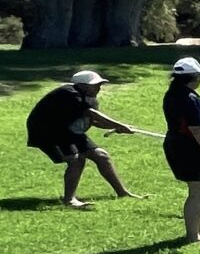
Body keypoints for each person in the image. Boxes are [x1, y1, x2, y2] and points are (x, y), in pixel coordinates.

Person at [25, 69, 142, 207]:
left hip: (68, 131)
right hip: (47, 131)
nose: (99, 88)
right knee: (76, 160)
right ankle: (69, 200)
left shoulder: (89, 99)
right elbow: (90, 113)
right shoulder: (68, 93)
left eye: (99, 85)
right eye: (95, 85)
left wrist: (118, 128)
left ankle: (122, 193)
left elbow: (93, 120)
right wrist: (119, 125)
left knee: (101, 156)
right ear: (82, 85)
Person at [161, 56, 200, 245]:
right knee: (197, 191)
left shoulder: (172, 94)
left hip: (178, 144)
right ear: (195, 77)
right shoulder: (189, 98)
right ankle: (193, 236)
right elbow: (196, 130)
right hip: (189, 148)